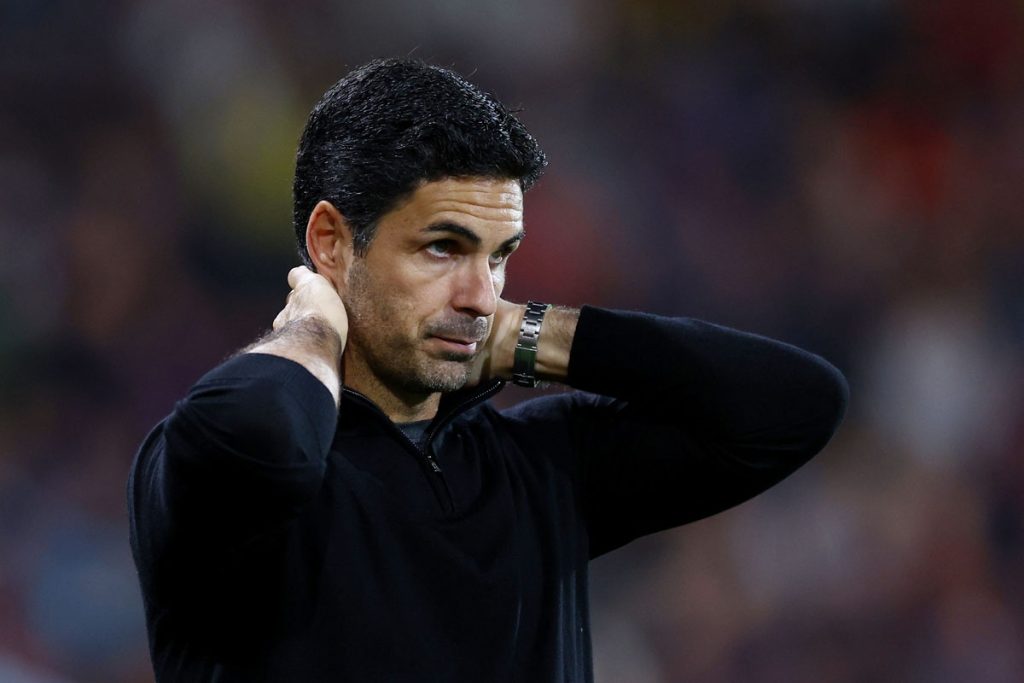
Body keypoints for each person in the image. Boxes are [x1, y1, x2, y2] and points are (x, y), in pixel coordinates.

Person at [128, 57, 848, 682]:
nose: (481, 295)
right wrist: (314, 324)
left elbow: (797, 406)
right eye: (443, 247)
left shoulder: (543, 467)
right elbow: (266, 440)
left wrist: (530, 335)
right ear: (331, 242)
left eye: (499, 255)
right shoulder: (206, 466)